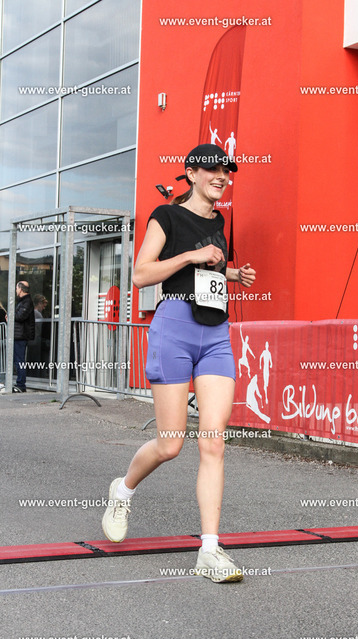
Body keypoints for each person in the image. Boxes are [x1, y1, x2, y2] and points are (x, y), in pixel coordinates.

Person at [102, 143, 256, 583]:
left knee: (214, 442)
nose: (222, 176)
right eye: (212, 169)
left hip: (216, 332)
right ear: (191, 172)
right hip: (174, 327)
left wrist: (232, 274)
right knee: (171, 445)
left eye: (227, 170)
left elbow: (206, 272)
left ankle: (209, 550)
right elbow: (141, 274)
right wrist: (191, 255)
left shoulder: (219, 222)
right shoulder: (166, 215)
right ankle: (123, 490)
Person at [13, 281, 35, 392]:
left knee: (20, 361)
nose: (16, 290)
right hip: (18, 335)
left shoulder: (27, 302)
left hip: (21, 336)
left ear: (21, 289)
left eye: (17, 288)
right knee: (17, 360)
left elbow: (20, 316)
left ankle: (21, 385)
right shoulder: (22, 301)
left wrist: (11, 316)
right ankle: (20, 383)